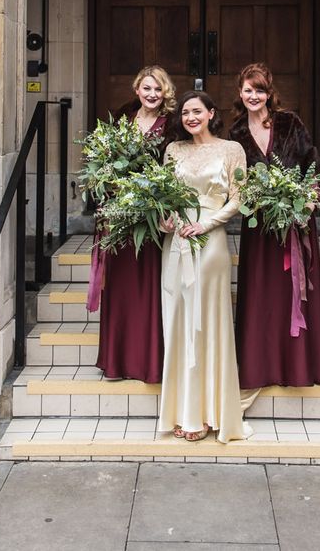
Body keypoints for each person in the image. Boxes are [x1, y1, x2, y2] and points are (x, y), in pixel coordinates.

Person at [229, 62, 320, 389]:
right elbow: (237, 179)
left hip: (296, 220)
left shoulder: (289, 123)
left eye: (259, 89)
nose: (253, 96)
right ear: (240, 92)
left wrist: (308, 198)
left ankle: (297, 362)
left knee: (293, 293)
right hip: (260, 227)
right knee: (263, 294)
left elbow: (312, 163)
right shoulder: (235, 133)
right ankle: (262, 361)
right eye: (248, 90)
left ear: (269, 92)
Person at [158, 90, 251, 443]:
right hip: (177, 241)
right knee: (180, 320)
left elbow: (240, 198)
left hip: (210, 242)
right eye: (184, 112)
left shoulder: (231, 150)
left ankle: (213, 411)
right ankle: (185, 412)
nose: (190, 117)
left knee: (210, 322)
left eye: (197, 111)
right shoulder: (173, 150)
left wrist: (208, 223)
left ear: (212, 113)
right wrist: (167, 219)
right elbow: (165, 195)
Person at [92, 65, 176, 383]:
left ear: (164, 92)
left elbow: (174, 170)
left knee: (148, 286)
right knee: (121, 286)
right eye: (147, 88)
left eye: (158, 89)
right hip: (121, 215)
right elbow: (103, 163)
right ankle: (117, 360)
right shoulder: (121, 121)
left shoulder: (171, 127)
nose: (152, 94)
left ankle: (147, 360)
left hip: (153, 218)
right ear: (137, 89)